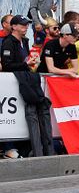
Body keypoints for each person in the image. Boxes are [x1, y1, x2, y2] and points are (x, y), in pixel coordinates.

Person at [1, 15, 54, 157]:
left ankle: (37, 148)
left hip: (27, 80)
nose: (25, 27)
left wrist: (31, 62)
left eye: (26, 25)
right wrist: (26, 64)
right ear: (14, 27)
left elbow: (25, 60)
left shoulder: (25, 41)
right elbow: (7, 64)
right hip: (16, 83)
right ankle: (13, 148)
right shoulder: (8, 42)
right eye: (22, 25)